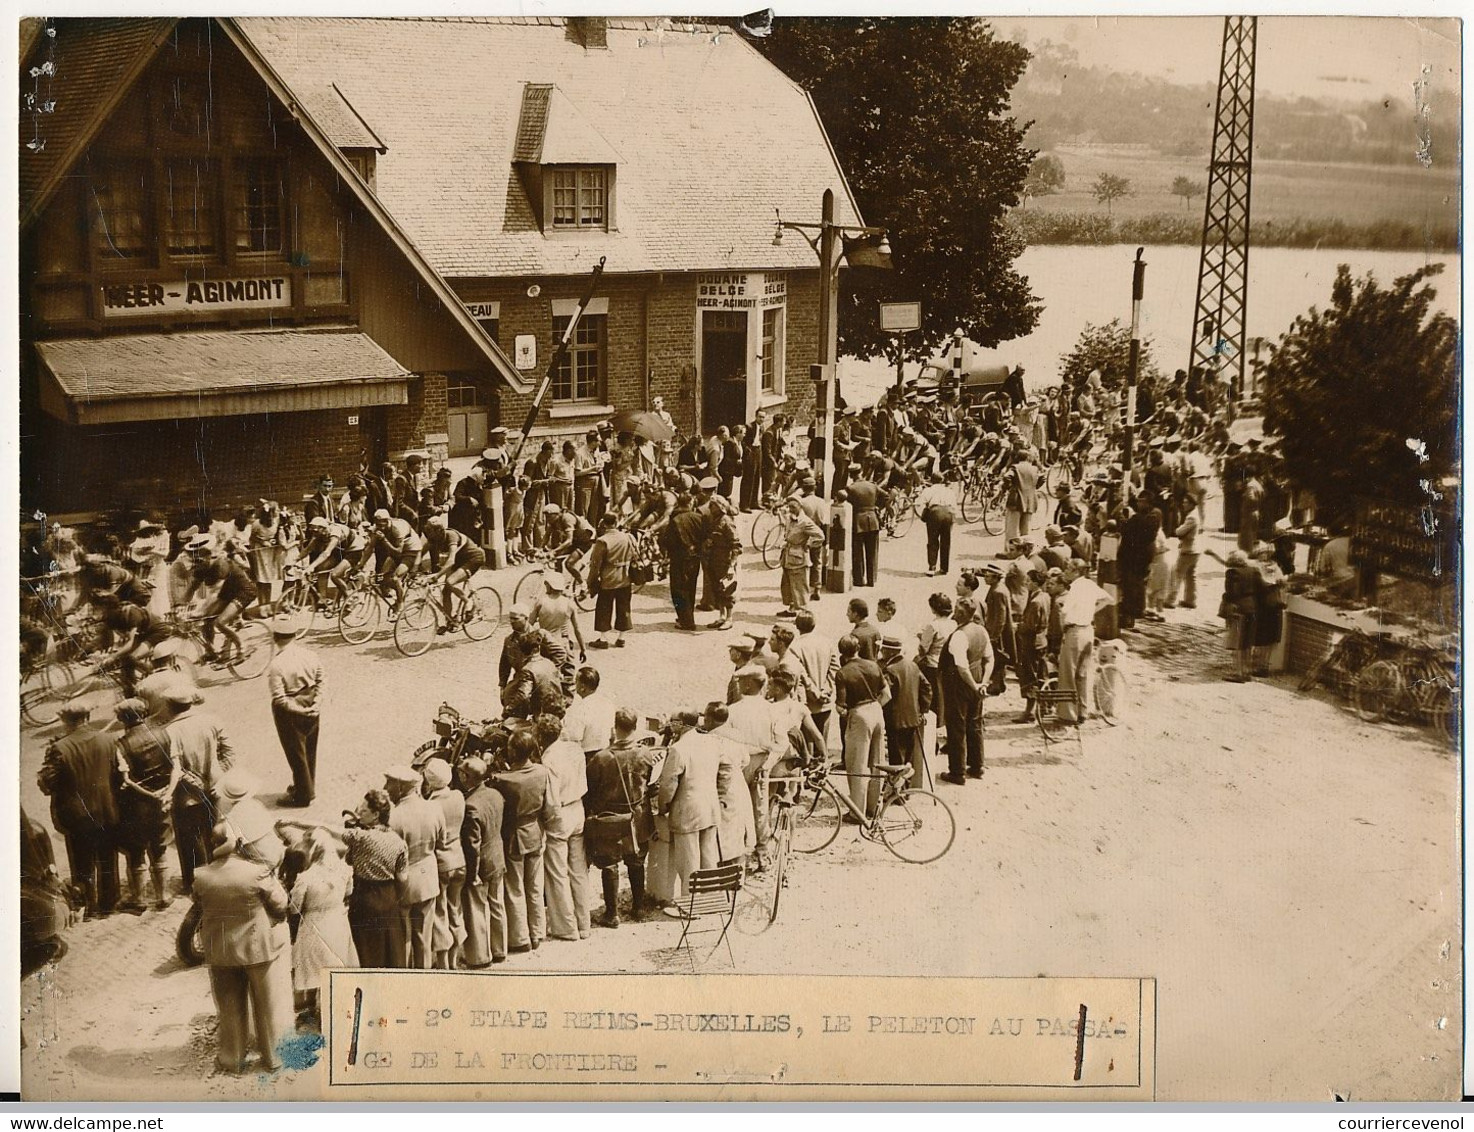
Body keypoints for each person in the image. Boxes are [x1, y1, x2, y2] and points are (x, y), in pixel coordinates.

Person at [192, 825, 293, 1074]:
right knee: (265, 1005)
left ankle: (232, 1059)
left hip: (220, 949)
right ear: (237, 844)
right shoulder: (257, 872)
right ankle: (272, 1057)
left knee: (228, 1005)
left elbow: (198, 903)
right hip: (257, 947)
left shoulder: (201, 875)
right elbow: (281, 904)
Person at [282, 791, 408, 969]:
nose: (359, 814)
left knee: (365, 952)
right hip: (388, 898)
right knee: (389, 949)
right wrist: (396, 898)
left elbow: (325, 828)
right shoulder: (398, 842)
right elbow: (403, 878)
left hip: (364, 897)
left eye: (363, 811)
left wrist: (293, 821)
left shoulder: (361, 838)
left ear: (375, 815)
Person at [38, 699, 120, 919]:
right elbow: (117, 774)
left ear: (65, 721)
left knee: (82, 863)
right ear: (87, 718)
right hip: (106, 810)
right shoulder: (107, 740)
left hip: (77, 817)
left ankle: (88, 907)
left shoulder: (59, 748)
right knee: (107, 858)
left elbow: (47, 784)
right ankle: (109, 903)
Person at [586, 709, 662, 927]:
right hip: (637, 815)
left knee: (609, 864)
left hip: (610, 816)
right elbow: (650, 783)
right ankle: (638, 907)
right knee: (636, 860)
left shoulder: (601, 758)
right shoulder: (644, 753)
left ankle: (612, 914)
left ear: (615, 727)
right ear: (635, 728)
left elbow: (591, 790)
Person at [492, 730, 560, 953]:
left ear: (512, 751)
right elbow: (550, 807)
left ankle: (520, 938)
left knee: (514, 889)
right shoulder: (542, 772)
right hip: (535, 833)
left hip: (513, 836)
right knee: (534, 887)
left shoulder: (503, 779)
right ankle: (537, 933)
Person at [160, 683, 231, 893]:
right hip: (215, 786)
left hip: (187, 793)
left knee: (189, 839)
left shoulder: (169, 731)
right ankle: (220, 875)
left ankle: (196, 883)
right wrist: (220, 773)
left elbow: (175, 767)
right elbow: (229, 751)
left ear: (169, 706)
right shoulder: (211, 720)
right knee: (213, 831)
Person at [284, 830, 356, 1022]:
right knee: (334, 965)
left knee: (313, 967)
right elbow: (348, 891)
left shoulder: (306, 877)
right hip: (337, 921)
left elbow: (294, 908)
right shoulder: (344, 870)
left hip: (314, 924)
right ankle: (333, 1012)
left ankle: (311, 1009)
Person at [113, 698, 177, 914]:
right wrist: (165, 793)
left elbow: (125, 779)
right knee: (159, 848)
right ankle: (163, 895)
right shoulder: (163, 734)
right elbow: (175, 766)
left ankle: (139, 898)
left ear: (123, 719)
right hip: (163, 801)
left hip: (137, 806)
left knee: (137, 852)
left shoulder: (121, 745)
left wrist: (148, 794)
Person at [385, 764, 449, 970]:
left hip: (403, 884)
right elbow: (442, 843)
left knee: (403, 938)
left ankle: (405, 977)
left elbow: (390, 856)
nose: (386, 788)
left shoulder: (393, 818)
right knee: (424, 937)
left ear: (402, 788)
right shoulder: (434, 808)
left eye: (390, 784)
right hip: (428, 879)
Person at [656, 710, 723, 907]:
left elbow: (669, 784)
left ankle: (691, 904)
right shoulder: (711, 743)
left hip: (687, 811)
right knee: (709, 858)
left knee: (689, 862)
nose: (670, 725)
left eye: (673, 721)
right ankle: (711, 901)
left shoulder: (679, 749)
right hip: (709, 807)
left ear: (683, 724)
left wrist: (663, 807)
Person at [539, 715, 590, 943]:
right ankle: (584, 923)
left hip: (560, 813)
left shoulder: (548, 759)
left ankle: (566, 927)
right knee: (578, 871)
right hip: (578, 808)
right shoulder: (575, 749)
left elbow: (551, 799)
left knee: (558, 873)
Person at [266, 615, 324, 808]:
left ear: (275, 637)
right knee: (309, 749)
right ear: (295, 635)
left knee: (295, 753)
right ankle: (309, 786)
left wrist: (297, 709)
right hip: (311, 701)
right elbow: (321, 680)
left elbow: (279, 698)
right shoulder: (311, 655)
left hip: (290, 710)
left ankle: (302, 796)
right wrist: (316, 703)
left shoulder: (277, 665)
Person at [457, 758, 507, 967]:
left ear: (466, 777)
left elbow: (472, 846)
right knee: (497, 904)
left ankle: (479, 957)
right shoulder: (495, 794)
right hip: (497, 856)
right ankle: (500, 949)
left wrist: (473, 874)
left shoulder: (470, 806)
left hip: (483, 863)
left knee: (476, 909)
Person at [834, 634, 889, 817]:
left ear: (842, 652)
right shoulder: (873, 665)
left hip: (859, 714)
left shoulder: (843, 673)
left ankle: (857, 812)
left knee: (857, 765)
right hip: (876, 711)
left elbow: (841, 707)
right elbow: (887, 694)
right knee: (877, 762)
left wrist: (849, 714)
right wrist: (874, 708)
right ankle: (874, 807)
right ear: (858, 649)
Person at [938, 597, 991, 785]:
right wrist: (982, 683)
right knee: (975, 723)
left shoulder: (959, 635)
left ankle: (957, 771)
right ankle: (977, 766)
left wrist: (973, 685)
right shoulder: (981, 630)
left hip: (959, 684)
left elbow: (962, 667)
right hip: (977, 678)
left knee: (956, 725)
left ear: (959, 614)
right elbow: (989, 659)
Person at [1056, 566, 1111, 722]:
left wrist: (1063, 629)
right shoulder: (1090, 584)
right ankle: (1082, 711)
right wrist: (1092, 611)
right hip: (1088, 630)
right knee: (1082, 674)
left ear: (1076, 572)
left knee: (1067, 673)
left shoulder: (1075, 588)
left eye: (1069, 570)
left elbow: (1065, 611)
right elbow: (1109, 599)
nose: (1066, 572)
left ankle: (1067, 715)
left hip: (1074, 632)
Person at [881, 636, 931, 788]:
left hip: (895, 719)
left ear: (889, 652)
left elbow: (885, 695)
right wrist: (923, 710)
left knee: (896, 758)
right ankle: (906, 788)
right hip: (912, 718)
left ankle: (898, 793)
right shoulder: (913, 665)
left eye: (883, 649)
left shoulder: (890, 670)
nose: (881, 651)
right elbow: (927, 688)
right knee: (908, 756)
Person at [421, 517, 485, 630]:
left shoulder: (451, 536)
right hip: (459, 560)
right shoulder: (433, 538)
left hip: (473, 558)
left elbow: (450, 561)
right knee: (446, 591)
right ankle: (451, 621)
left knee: (450, 582)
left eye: (430, 531)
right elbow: (420, 554)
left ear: (439, 530)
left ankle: (469, 603)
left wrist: (436, 576)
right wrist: (412, 569)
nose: (428, 534)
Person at [788, 609, 838, 741]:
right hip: (825, 701)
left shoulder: (794, 647)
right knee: (822, 743)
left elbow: (799, 676)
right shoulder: (827, 642)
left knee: (808, 744)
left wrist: (814, 693)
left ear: (797, 626)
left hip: (807, 703)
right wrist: (826, 690)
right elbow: (834, 669)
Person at [587, 514, 635, 649]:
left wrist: (590, 581)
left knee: (604, 608)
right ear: (616, 522)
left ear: (603, 523)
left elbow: (595, 564)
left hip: (608, 579)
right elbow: (634, 555)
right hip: (625, 577)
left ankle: (603, 639)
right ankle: (621, 638)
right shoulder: (627, 537)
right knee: (624, 607)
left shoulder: (602, 541)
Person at [663, 492, 706, 630]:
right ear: (690, 503)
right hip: (695, 558)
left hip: (679, 559)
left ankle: (686, 620)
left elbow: (667, 540)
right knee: (690, 587)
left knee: (678, 590)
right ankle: (688, 616)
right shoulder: (698, 518)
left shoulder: (675, 519)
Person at [1014, 571, 1053, 723]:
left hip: (1031, 643)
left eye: (1029, 581)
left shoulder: (1035, 601)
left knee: (1029, 678)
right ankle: (1044, 707)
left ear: (1036, 584)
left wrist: (1017, 626)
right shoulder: (1045, 597)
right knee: (1041, 675)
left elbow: (1030, 626)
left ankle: (1029, 712)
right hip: (1041, 641)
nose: (1026, 583)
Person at [777, 497, 824, 618]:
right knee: (788, 585)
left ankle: (803, 615)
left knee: (800, 587)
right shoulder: (790, 518)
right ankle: (792, 609)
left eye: (793, 507)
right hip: (788, 556)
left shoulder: (805, 522)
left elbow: (820, 536)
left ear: (800, 507)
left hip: (799, 558)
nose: (791, 509)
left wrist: (808, 544)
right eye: (790, 506)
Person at [370, 509, 423, 612]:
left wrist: (384, 539)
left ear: (387, 521)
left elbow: (398, 552)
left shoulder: (398, 528)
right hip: (396, 552)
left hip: (411, 550)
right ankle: (400, 591)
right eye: (378, 525)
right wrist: (361, 564)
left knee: (395, 578)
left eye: (382, 525)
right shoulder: (377, 529)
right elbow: (369, 548)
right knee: (381, 578)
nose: (380, 527)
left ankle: (400, 602)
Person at [703, 495, 743, 630]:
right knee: (717, 589)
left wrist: (732, 565)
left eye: (712, 506)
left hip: (725, 561)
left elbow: (736, 545)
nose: (710, 508)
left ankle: (729, 618)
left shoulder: (726, 521)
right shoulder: (714, 520)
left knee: (727, 590)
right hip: (714, 559)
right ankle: (721, 616)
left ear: (720, 506)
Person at [915, 592, 954, 730]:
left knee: (931, 695)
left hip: (932, 664)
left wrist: (921, 637)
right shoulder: (953, 624)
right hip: (947, 664)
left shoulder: (933, 625)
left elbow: (923, 649)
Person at [845, 472, 888, 588]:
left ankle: (859, 580)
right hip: (873, 520)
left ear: (852, 476)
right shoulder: (872, 485)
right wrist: (877, 506)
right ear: (861, 473)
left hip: (858, 521)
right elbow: (886, 496)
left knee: (857, 552)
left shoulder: (850, 488)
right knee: (872, 551)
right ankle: (871, 579)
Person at [563, 666, 618, 757]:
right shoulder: (608, 703)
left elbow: (574, 739)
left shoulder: (580, 709)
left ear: (582, 687)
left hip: (587, 756)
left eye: (576, 681)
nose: (574, 683)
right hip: (605, 753)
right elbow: (613, 734)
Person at [1251, 543, 1287, 678]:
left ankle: (1261, 665)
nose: (1264, 555)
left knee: (1265, 637)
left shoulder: (1268, 566)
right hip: (1268, 605)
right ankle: (1260, 665)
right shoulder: (1266, 566)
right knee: (1265, 637)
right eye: (1262, 553)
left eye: (1265, 553)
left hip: (1267, 605)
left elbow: (1281, 582)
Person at [917, 472, 959, 577]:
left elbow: (920, 503)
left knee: (932, 540)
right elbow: (954, 506)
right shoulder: (949, 491)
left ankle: (932, 567)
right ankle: (944, 568)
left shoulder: (928, 490)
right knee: (946, 541)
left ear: (931, 480)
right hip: (949, 513)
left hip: (935, 513)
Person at [1166, 508, 1200, 610]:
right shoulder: (1196, 514)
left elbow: (1179, 532)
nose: (1184, 505)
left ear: (1191, 504)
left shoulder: (1191, 517)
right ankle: (1190, 600)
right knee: (1190, 576)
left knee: (1177, 574)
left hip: (1188, 551)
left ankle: (1170, 600)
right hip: (1195, 551)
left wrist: (1178, 529)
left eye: (1186, 502)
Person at [1004, 446, 1040, 543]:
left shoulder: (1015, 467)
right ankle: (1026, 552)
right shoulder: (1034, 469)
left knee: (1012, 530)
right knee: (1026, 530)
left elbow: (1006, 476)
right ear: (1028, 458)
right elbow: (1042, 478)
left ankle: (1010, 551)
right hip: (1030, 501)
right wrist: (1034, 487)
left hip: (1016, 500)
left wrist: (1010, 487)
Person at [846, 597, 882, 661]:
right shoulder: (875, 630)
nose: (847, 614)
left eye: (849, 611)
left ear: (855, 614)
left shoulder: (855, 635)